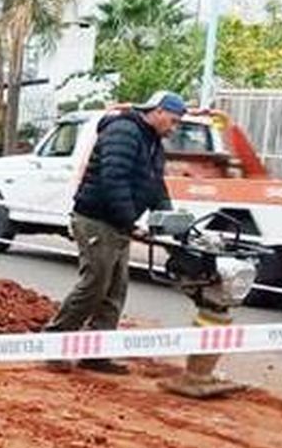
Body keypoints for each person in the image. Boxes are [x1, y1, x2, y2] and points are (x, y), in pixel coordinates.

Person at [45, 90, 184, 373]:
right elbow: (113, 179)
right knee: (95, 284)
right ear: (157, 111)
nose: (174, 127)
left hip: (117, 222)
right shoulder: (124, 131)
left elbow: (156, 185)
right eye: (173, 120)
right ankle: (54, 343)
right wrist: (130, 221)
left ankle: (96, 353)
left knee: (115, 290)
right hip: (96, 219)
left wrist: (169, 219)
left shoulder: (153, 142)